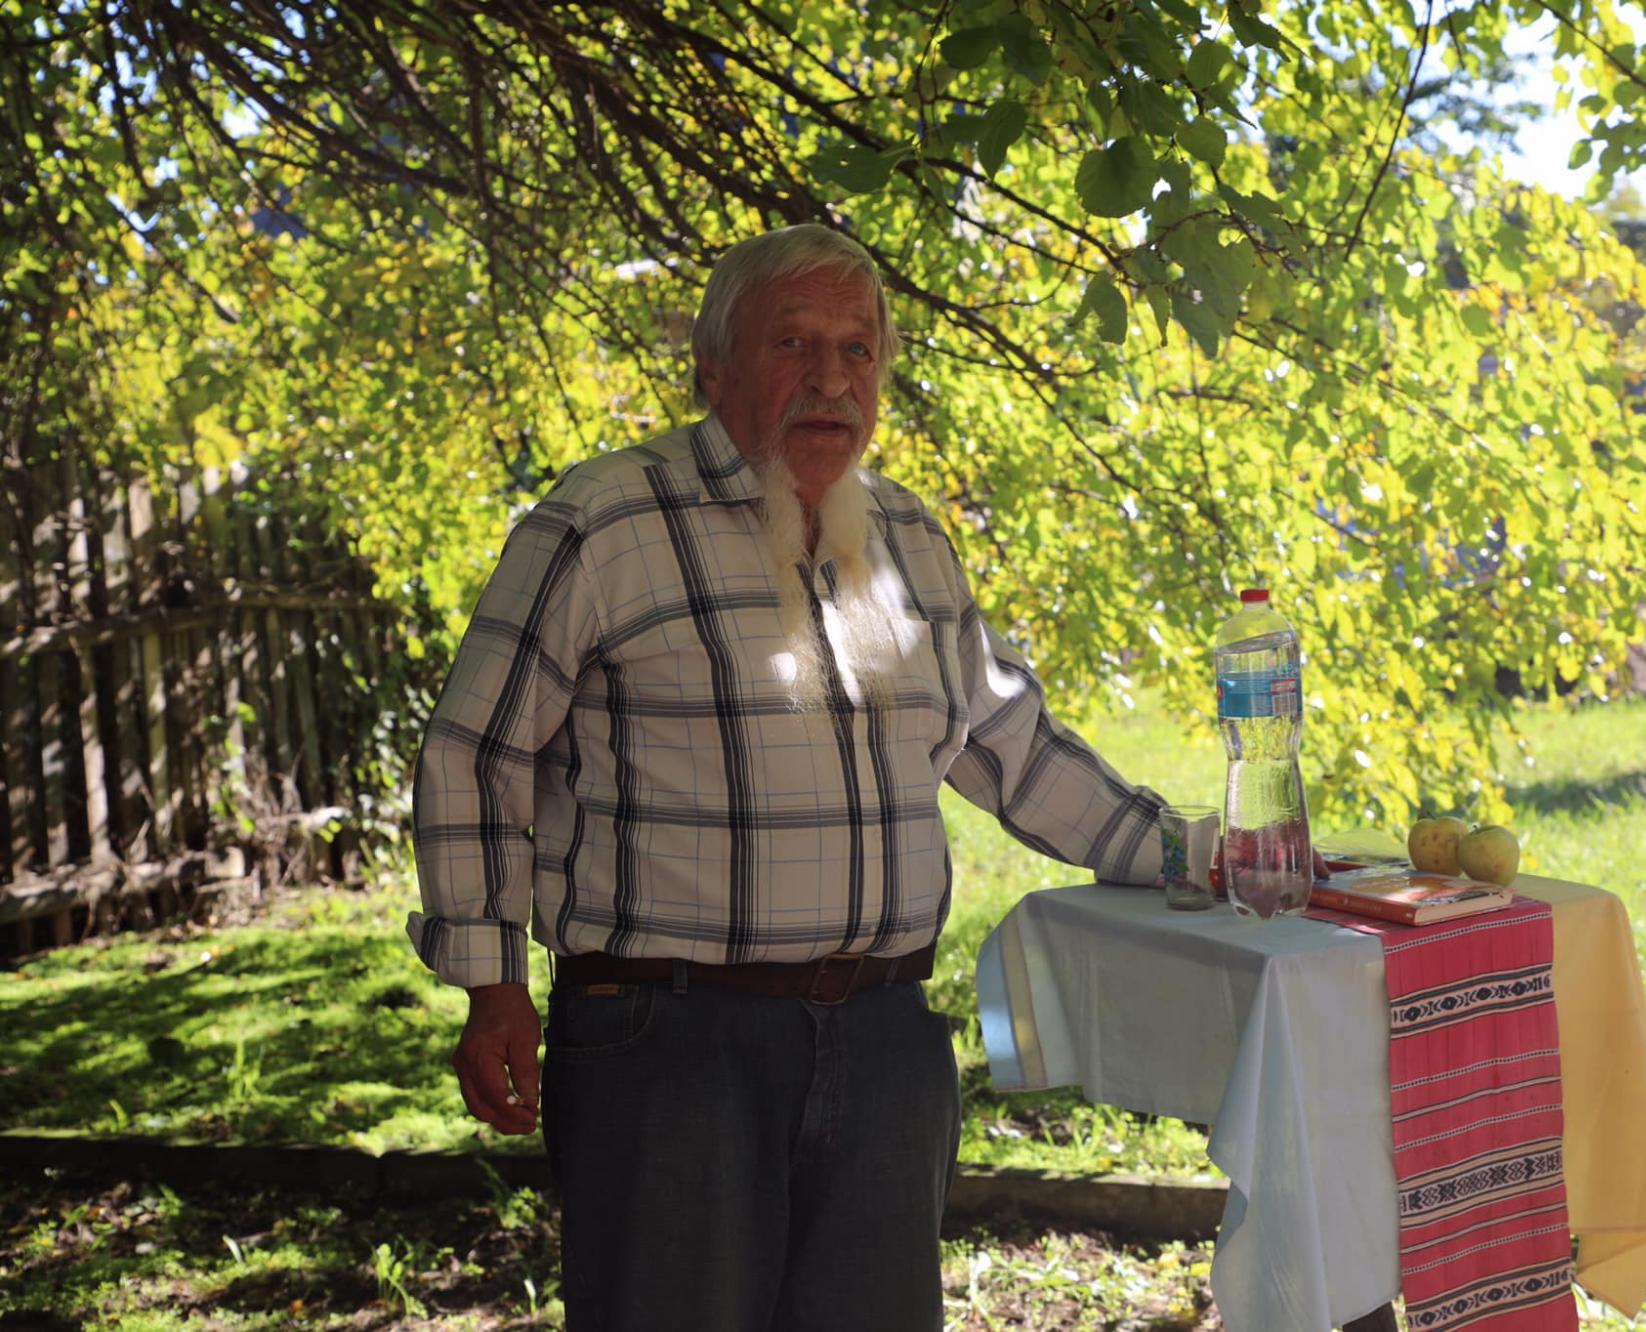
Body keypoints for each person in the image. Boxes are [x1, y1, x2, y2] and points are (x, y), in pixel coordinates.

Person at [407, 223, 1170, 1331]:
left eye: (858, 350)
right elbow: (477, 749)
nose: (830, 378)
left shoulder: (907, 536)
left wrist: (1198, 856)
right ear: (711, 367)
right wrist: (490, 983)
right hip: (669, 1049)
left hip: (883, 1044)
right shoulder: (606, 518)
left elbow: (1012, 747)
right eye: (792, 343)